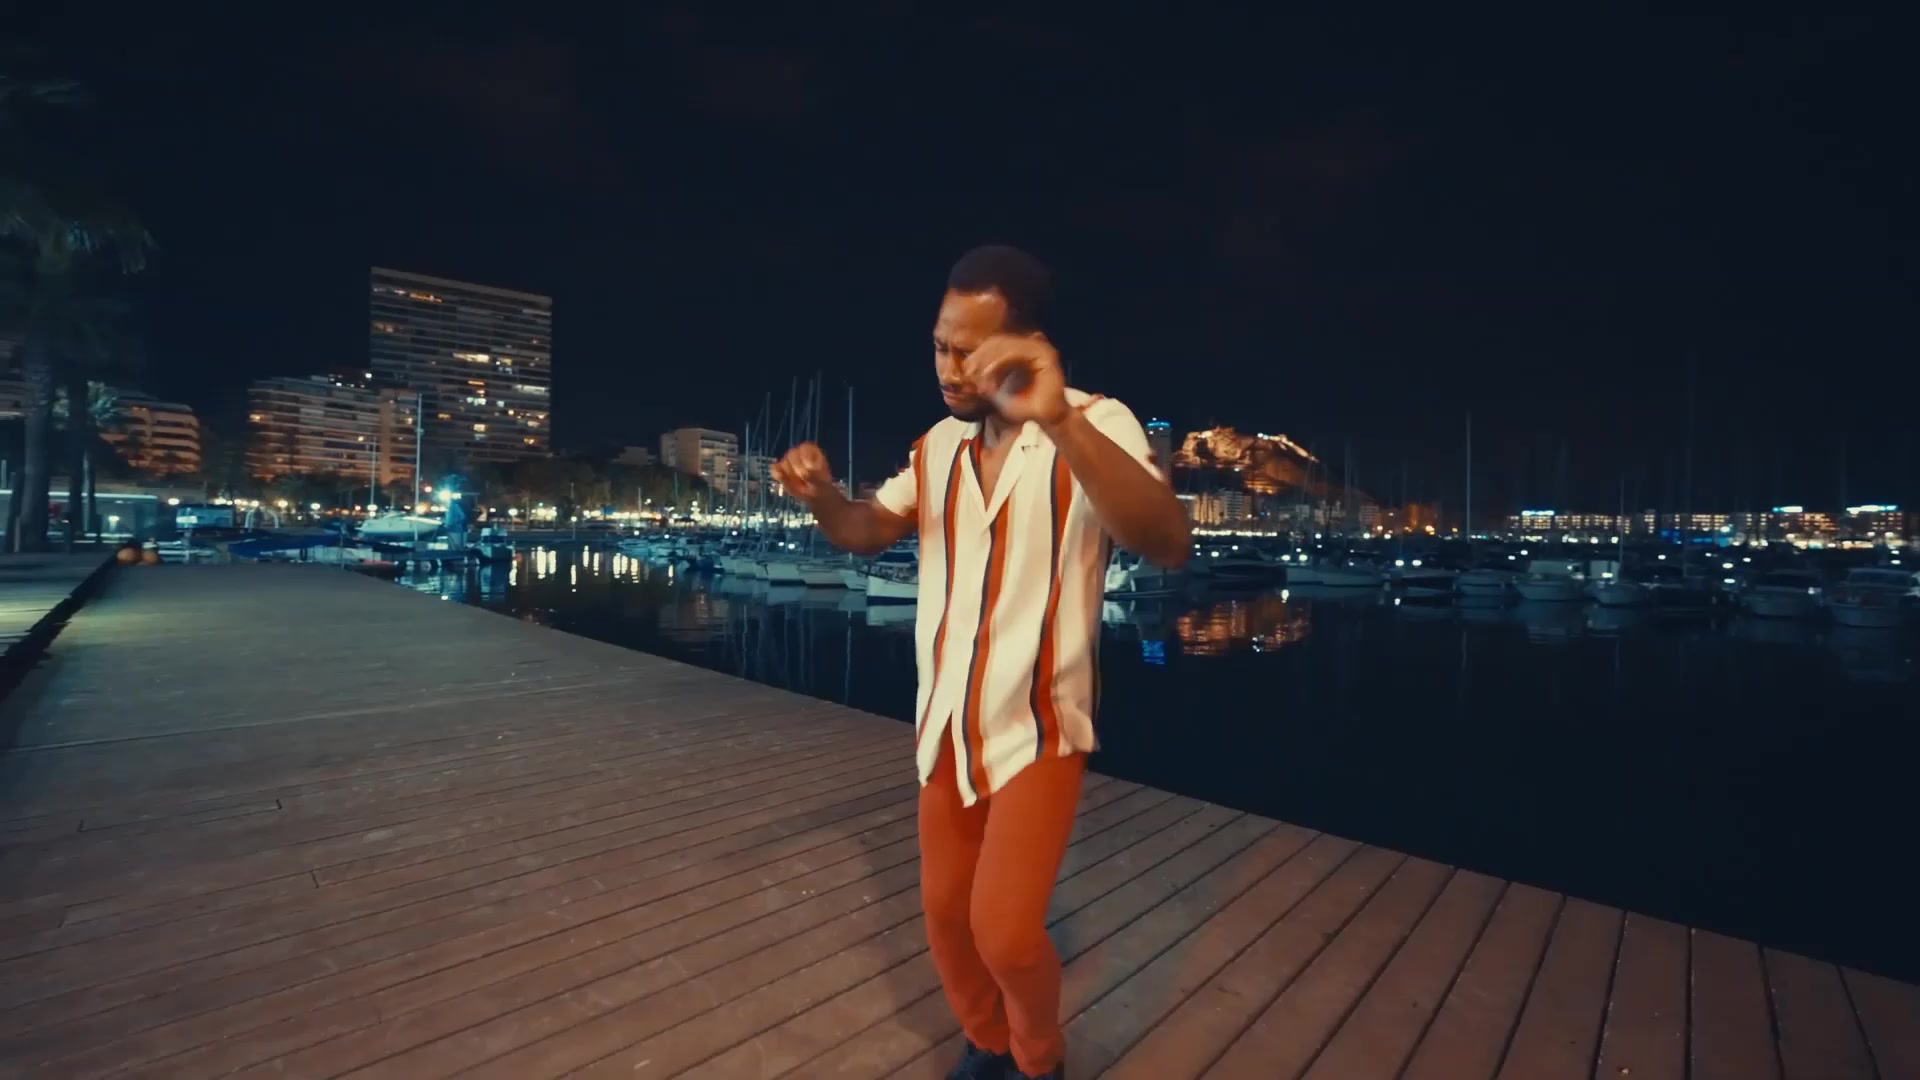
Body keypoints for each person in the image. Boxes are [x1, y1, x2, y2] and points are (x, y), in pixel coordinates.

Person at [770, 245, 1190, 1080]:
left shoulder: (1097, 422)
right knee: (944, 918)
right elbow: (865, 530)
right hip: (944, 727)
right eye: (939, 345)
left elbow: (1167, 542)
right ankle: (987, 1041)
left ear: (1028, 344)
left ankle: (1038, 1058)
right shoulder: (938, 447)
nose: (949, 368)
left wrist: (1057, 417)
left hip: (1039, 725)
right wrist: (820, 497)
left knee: (1004, 931)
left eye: (969, 351)